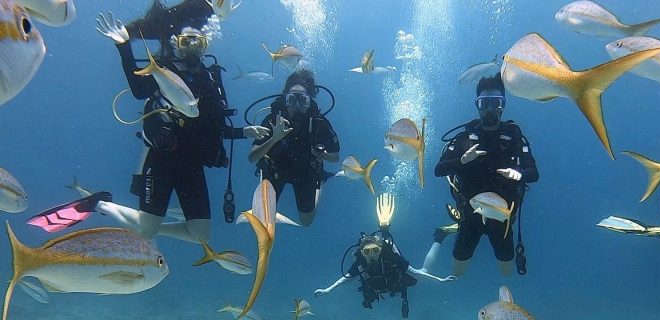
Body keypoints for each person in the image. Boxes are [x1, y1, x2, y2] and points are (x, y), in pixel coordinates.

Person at [29, 4, 269, 243]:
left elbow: (213, 125)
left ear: (205, 45)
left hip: (193, 164)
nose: (192, 46)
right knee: (146, 231)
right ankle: (100, 203)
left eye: (198, 41)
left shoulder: (210, 78)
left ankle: (149, 225)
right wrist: (124, 46)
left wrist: (244, 131)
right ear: (176, 43)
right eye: (186, 41)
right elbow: (139, 90)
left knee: (200, 235)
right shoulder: (165, 72)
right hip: (163, 159)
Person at [428, 73, 539, 277]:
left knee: (506, 265)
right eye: (484, 103)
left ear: (503, 105)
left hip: (502, 216)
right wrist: (462, 161)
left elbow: (533, 173)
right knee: (459, 265)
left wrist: (519, 174)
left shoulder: (514, 136)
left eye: (495, 103)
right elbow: (439, 170)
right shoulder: (464, 138)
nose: (489, 109)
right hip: (470, 214)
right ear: (477, 105)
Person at [313, 194, 456, 319]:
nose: (371, 256)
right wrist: (328, 290)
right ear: (362, 252)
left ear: (380, 250)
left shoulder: (390, 256)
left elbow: (414, 272)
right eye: (367, 252)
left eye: (375, 251)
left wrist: (439, 279)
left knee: (424, 271)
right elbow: (347, 278)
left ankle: (440, 236)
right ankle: (384, 230)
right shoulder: (361, 261)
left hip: (393, 277)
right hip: (383, 284)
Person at [248, 69, 340, 226]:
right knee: (263, 221)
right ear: (285, 99)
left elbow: (336, 156)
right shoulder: (272, 120)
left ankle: (320, 181)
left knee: (306, 222)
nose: (297, 106)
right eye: (292, 100)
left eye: (302, 100)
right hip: (275, 171)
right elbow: (252, 157)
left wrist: (323, 155)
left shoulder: (318, 123)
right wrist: (274, 139)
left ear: (309, 101)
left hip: (305, 173)